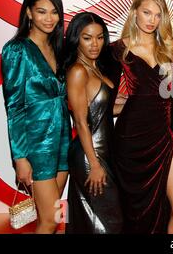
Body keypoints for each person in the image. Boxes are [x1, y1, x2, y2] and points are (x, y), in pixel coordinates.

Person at [108, 0, 173, 233]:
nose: (152, 20)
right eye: (146, 12)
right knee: (135, 214)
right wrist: (123, 104)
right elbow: (103, 102)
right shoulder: (117, 49)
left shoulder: (169, 48)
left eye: (157, 15)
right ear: (134, 12)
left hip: (162, 138)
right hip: (130, 142)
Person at [1, 0, 71, 233]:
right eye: (42, 11)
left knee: (49, 219)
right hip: (35, 143)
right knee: (51, 220)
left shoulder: (58, 48)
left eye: (54, 12)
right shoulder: (17, 50)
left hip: (62, 139)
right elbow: (14, 106)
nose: (49, 18)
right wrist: (20, 157)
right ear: (29, 13)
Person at [62, 12, 123, 233]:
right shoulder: (78, 71)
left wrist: (137, 105)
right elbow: (80, 121)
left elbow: (102, 112)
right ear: (76, 39)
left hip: (104, 152)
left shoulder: (95, 67)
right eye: (87, 38)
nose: (95, 44)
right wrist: (94, 164)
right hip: (91, 156)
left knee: (94, 223)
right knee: (108, 225)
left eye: (99, 37)